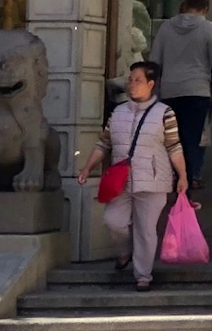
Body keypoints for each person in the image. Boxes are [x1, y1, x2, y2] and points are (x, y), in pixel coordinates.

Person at [77, 60, 185, 291]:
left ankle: (143, 275)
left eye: (138, 80)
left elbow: (174, 147)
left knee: (146, 230)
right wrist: (87, 167)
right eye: (130, 80)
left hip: (154, 181)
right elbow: (103, 144)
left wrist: (183, 176)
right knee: (113, 221)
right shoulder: (117, 113)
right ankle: (125, 251)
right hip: (121, 180)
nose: (132, 84)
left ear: (151, 84)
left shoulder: (165, 113)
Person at [148, 0, 212, 205]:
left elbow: (154, 60)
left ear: (185, 6)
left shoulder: (166, 28)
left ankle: (165, 185)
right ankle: (184, 191)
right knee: (190, 142)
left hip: (169, 92)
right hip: (197, 91)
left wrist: (151, 92)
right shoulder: (208, 28)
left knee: (170, 141)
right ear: (205, 8)